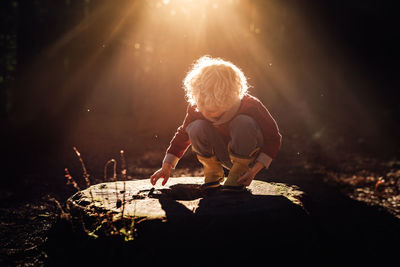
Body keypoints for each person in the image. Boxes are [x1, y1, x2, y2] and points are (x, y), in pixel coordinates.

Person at [150, 56, 282, 191]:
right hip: (223, 155)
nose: (207, 113)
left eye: (214, 111)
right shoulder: (196, 107)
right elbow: (183, 135)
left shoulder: (251, 106)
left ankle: (239, 173)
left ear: (230, 101)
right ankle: (213, 171)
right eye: (202, 107)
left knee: (243, 122)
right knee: (195, 127)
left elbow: (273, 138)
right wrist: (166, 167)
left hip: (251, 157)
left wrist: (253, 171)